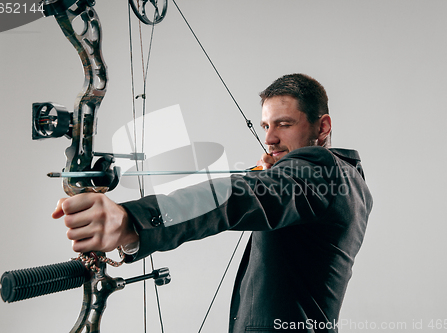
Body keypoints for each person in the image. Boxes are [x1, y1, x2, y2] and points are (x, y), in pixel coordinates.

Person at [53, 73, 373, 332]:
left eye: (284, 124)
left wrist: (131, 221)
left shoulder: (321, 169)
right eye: (266, 125)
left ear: (323, 127)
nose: (270, 138)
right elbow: (263, 194)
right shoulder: (344, 181)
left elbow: (236, 198)